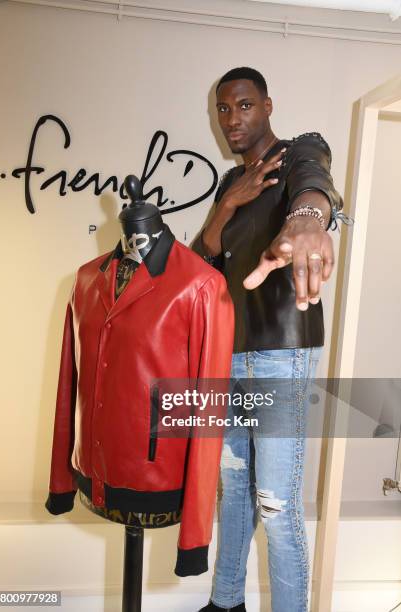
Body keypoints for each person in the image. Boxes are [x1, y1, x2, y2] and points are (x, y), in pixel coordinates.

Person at [192, 67, 345, 612]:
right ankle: (226, 600)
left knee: (276, 503)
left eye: (245, 105)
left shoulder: (299, 151)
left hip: (281, 350)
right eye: (224, 110)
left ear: (268, 105)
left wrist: (307, 218)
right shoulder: (229, 183)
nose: (233, 119)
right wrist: (227, 204)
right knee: (233, 490)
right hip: (230, 352)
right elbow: (202, 258)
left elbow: (315, 183)